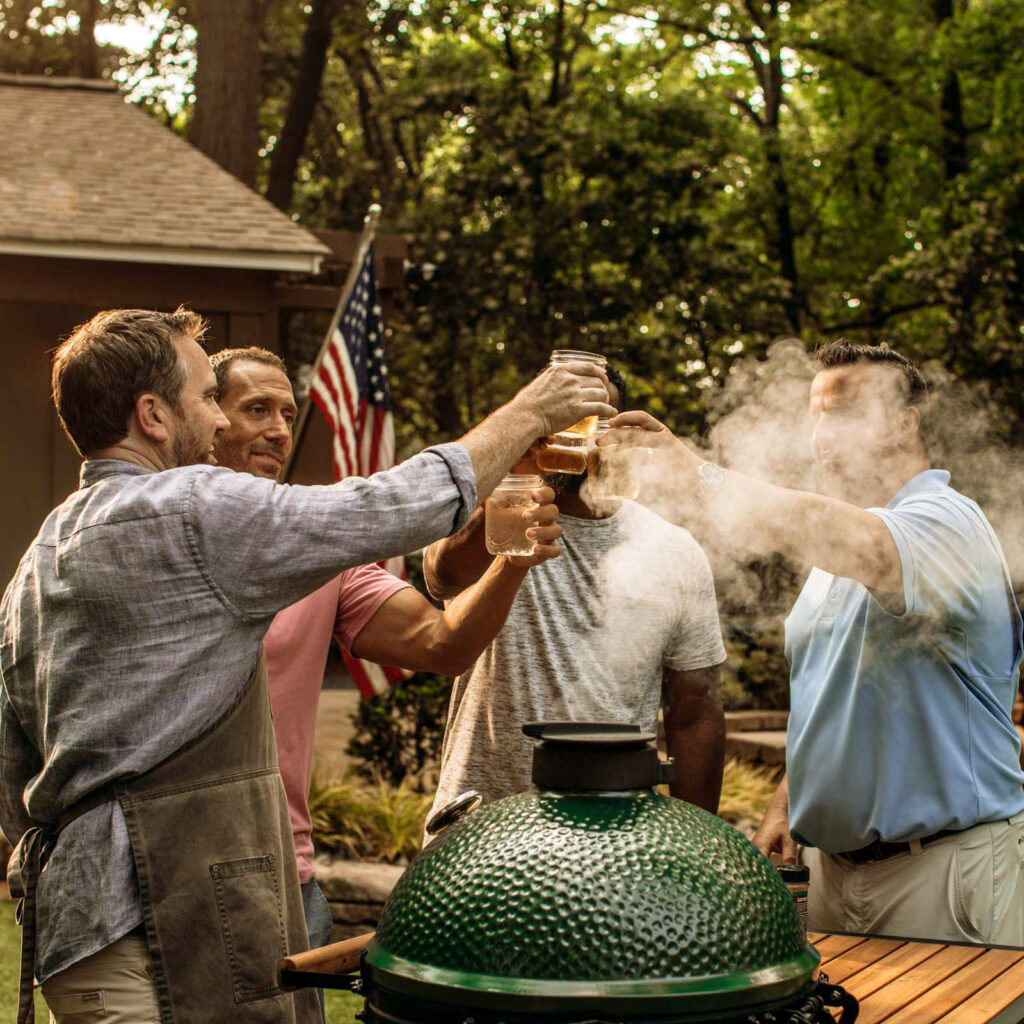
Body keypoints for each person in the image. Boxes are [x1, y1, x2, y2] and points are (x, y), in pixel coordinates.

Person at [0, 308, 614, 1024]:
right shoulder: (194, 503)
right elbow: (393, 505)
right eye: (209, 399)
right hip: (164, 914)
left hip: (81, 935)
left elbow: (11, 764)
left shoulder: (40, 554)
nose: (223, 426)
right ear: (153, 416)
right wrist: (532, 409)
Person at [605, 340, 1024, 944]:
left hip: (948, 871)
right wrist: (784, 807)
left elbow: (867, 544)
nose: (822, 432)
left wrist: (695, 472)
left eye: (846, 409)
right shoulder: (832, 558)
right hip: (830, 871)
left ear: (907, 420)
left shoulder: (944, 520)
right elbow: (830, 701)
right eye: (816, 413)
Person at [209, 346, 563, 957]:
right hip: (172, 870)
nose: (277, 430)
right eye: (257, 409)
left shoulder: (319, 547)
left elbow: (443, 644)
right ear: (206, 417)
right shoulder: (159, 533)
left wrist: (512, 560)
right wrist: (527, 415)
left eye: (288, 414)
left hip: (284, 877)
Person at [423, 366, 728, 822]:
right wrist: (518, 468)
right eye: (561, 414)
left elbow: (694, 713)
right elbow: (442, 576)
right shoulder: (499, 515)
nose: (575, 431)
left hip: (610, 833)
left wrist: (698, 844)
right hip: (476, 824)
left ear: (619, 431)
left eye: (593, 415)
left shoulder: (672, 548)